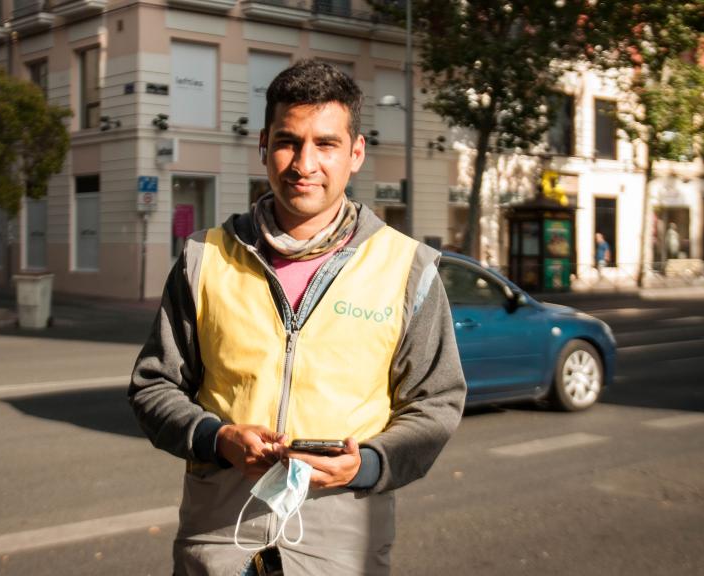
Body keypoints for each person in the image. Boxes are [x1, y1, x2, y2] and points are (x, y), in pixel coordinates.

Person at [129, 60, 466, 576]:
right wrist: (215, 439)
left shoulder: (407, 267)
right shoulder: (205, 256)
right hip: (218, 540)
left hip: (340, 549)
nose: (304, 164)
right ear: (264, 145)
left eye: (326, 144)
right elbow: (153, 387)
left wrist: (368, 464)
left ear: (356, 153)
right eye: (288, 141)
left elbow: (436, 404)